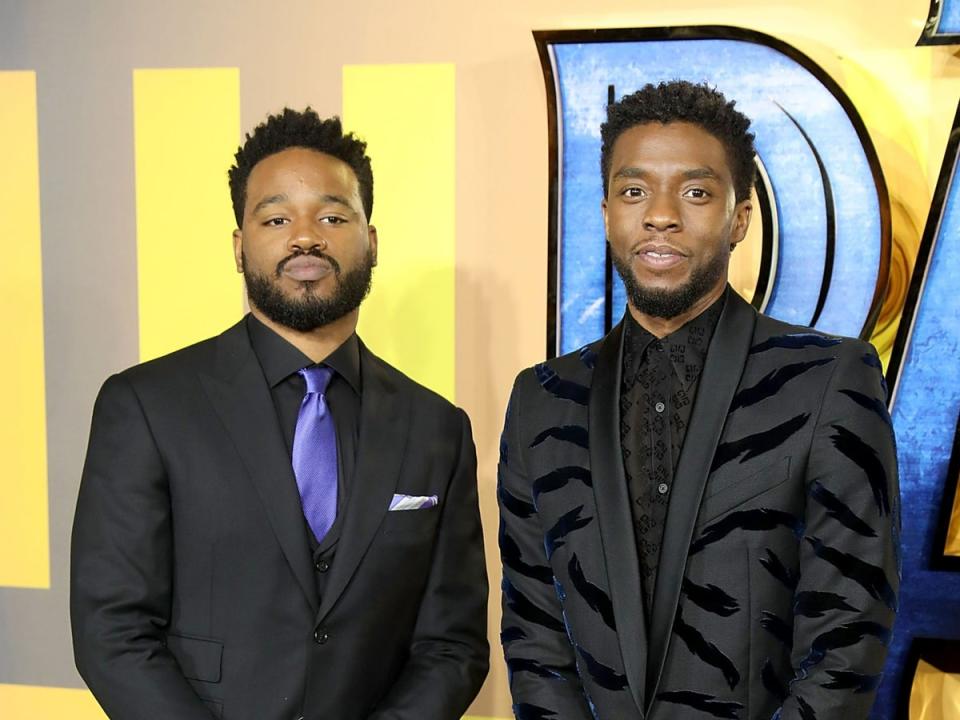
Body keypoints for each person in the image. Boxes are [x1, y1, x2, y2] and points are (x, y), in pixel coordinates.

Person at [498, 81, 898, 719]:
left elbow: (848, 632)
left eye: (695, 191)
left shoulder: (827, 378)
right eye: (634, 191)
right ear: (606, 212)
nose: (661, 214)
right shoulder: (543, 400)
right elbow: (534, 627)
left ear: (740, 217)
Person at [71, 108, 488, 720]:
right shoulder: (145, 406)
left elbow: (451, 646)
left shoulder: (436, 428)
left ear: (370, 242)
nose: (305, 236)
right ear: (240, 248)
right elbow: (113, 632)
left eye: (332, 215)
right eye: (276, 218)